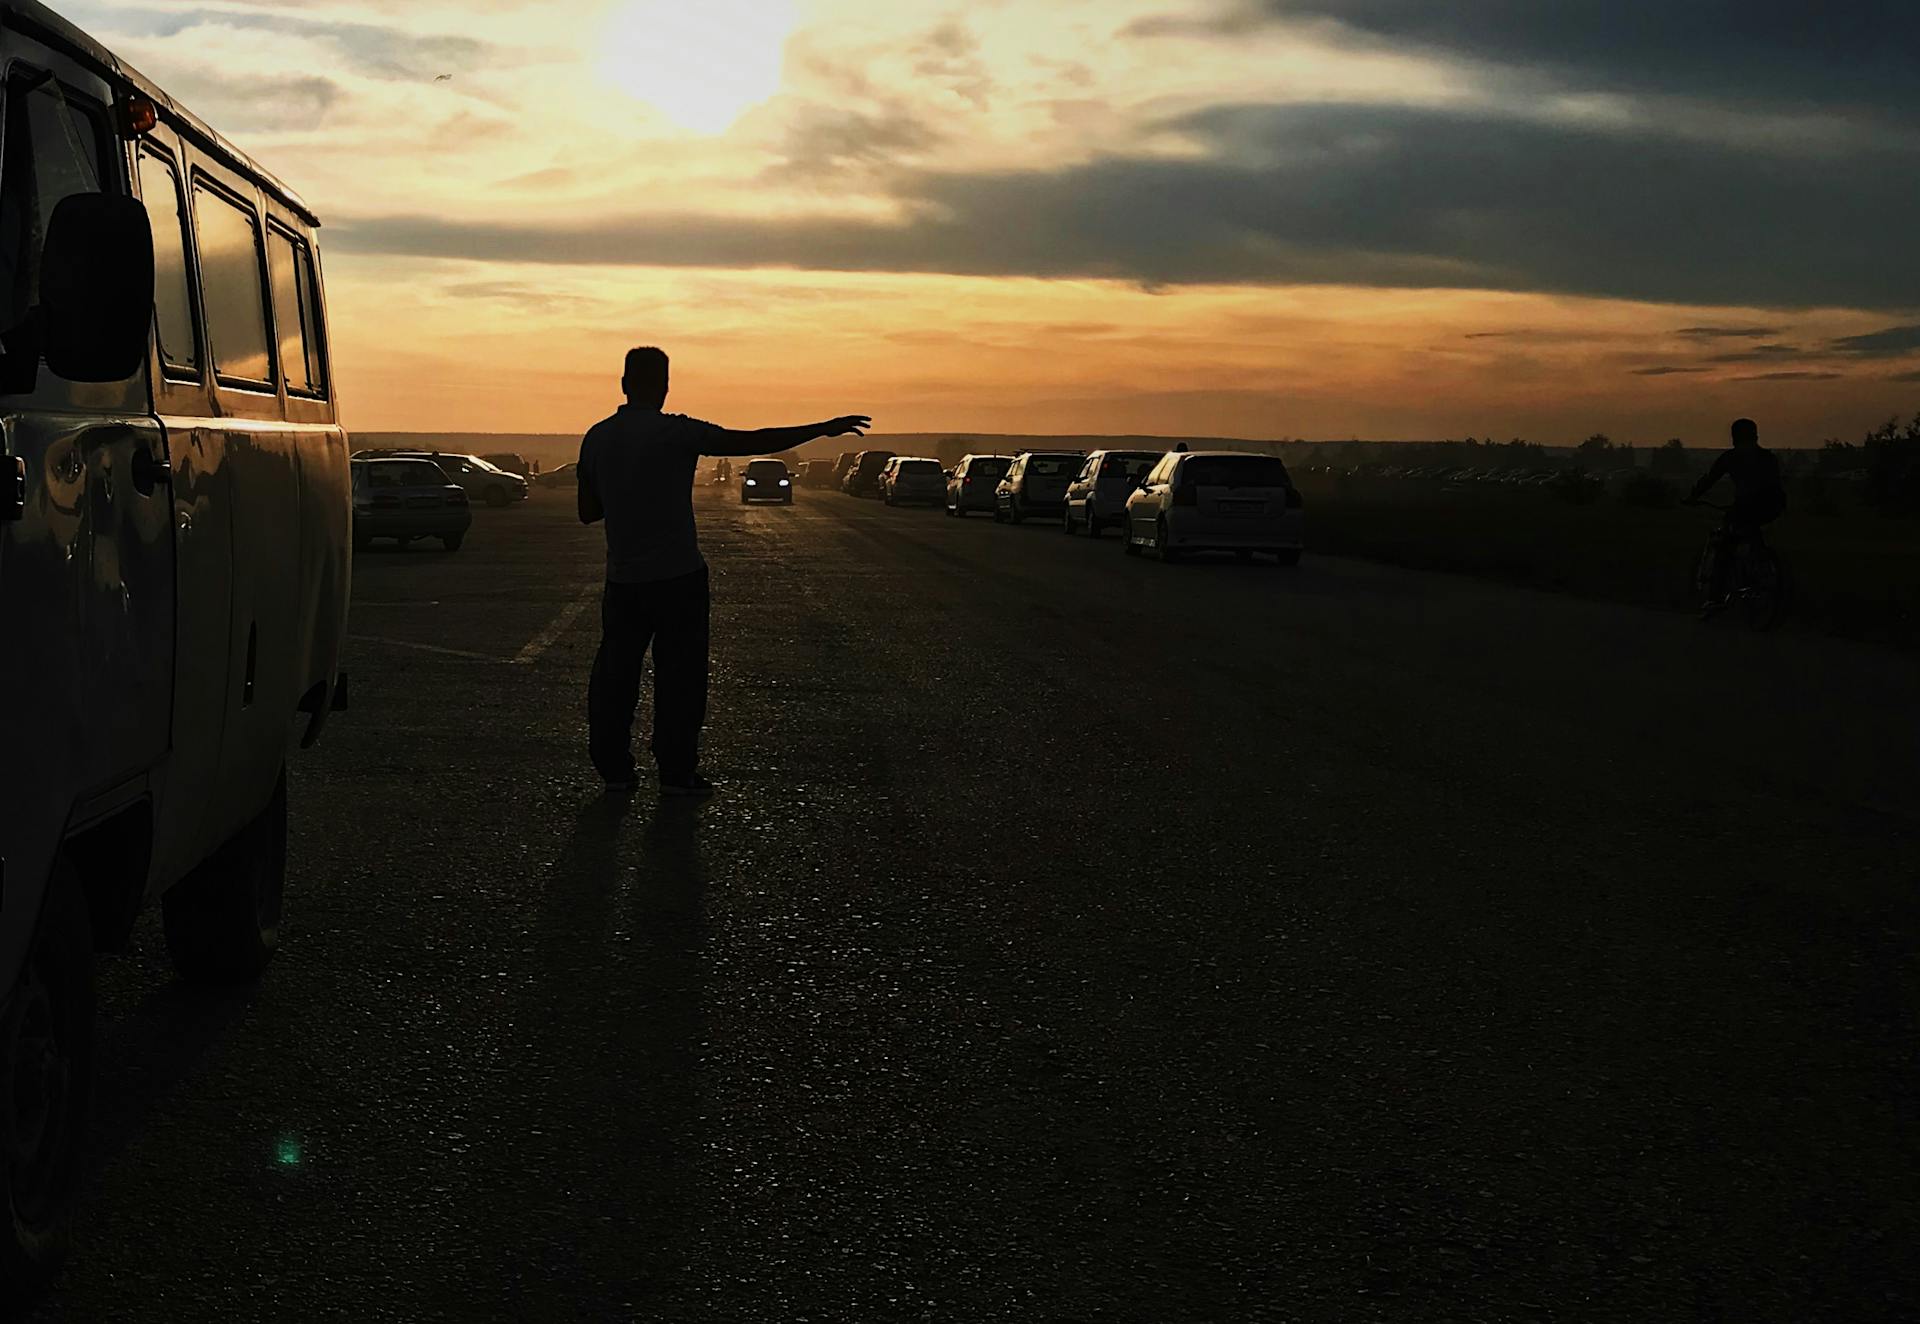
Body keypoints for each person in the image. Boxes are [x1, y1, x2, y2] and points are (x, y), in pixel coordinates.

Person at [578, 346, 869, 795]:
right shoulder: (679, 433)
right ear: (665, 387)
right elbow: (753, 439)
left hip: (624, 579)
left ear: (623, 384)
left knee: (615, 675)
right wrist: (822, 429)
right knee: (681, 678)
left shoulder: (597, 437)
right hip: (678, 577)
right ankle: (675, 773)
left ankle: (614, 769)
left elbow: (587, 511)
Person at [1686, 417, 1786, 604]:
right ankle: (1762, 565)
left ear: (1734, 437)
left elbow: (1710, 479)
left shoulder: (1731, 458)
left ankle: (1715, 598)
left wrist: (1693, 497)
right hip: (1772, 506)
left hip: (1746, 507)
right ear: (1755, 436)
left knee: (1725, 546)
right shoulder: (1768, 457)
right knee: (1753, 535)